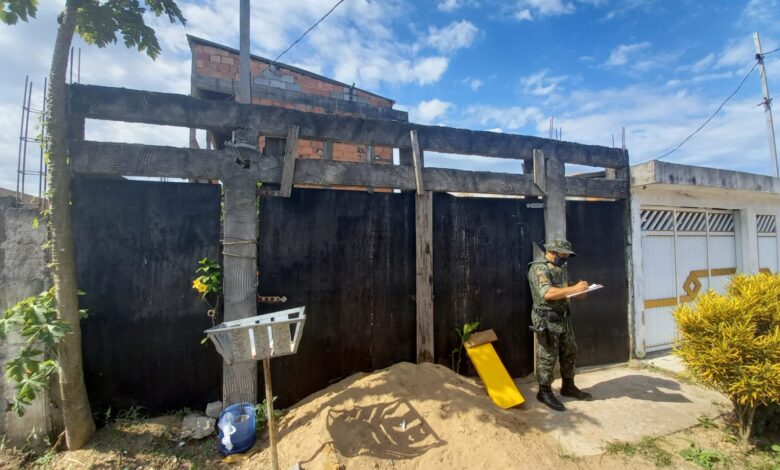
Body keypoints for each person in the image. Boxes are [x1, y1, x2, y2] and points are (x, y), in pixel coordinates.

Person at [528, 238, 593, 411]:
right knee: (547, 356)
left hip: (564, 317)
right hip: (547, 319)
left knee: (570, 351)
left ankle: (568, 386)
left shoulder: (561, 267)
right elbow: (547, 293)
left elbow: (567, 289)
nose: (565, 259)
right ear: (552, 252)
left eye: (567, 256)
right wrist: (574, 289)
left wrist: (580, 292)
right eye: (563, 255)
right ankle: (544, 391)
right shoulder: (538, 268)